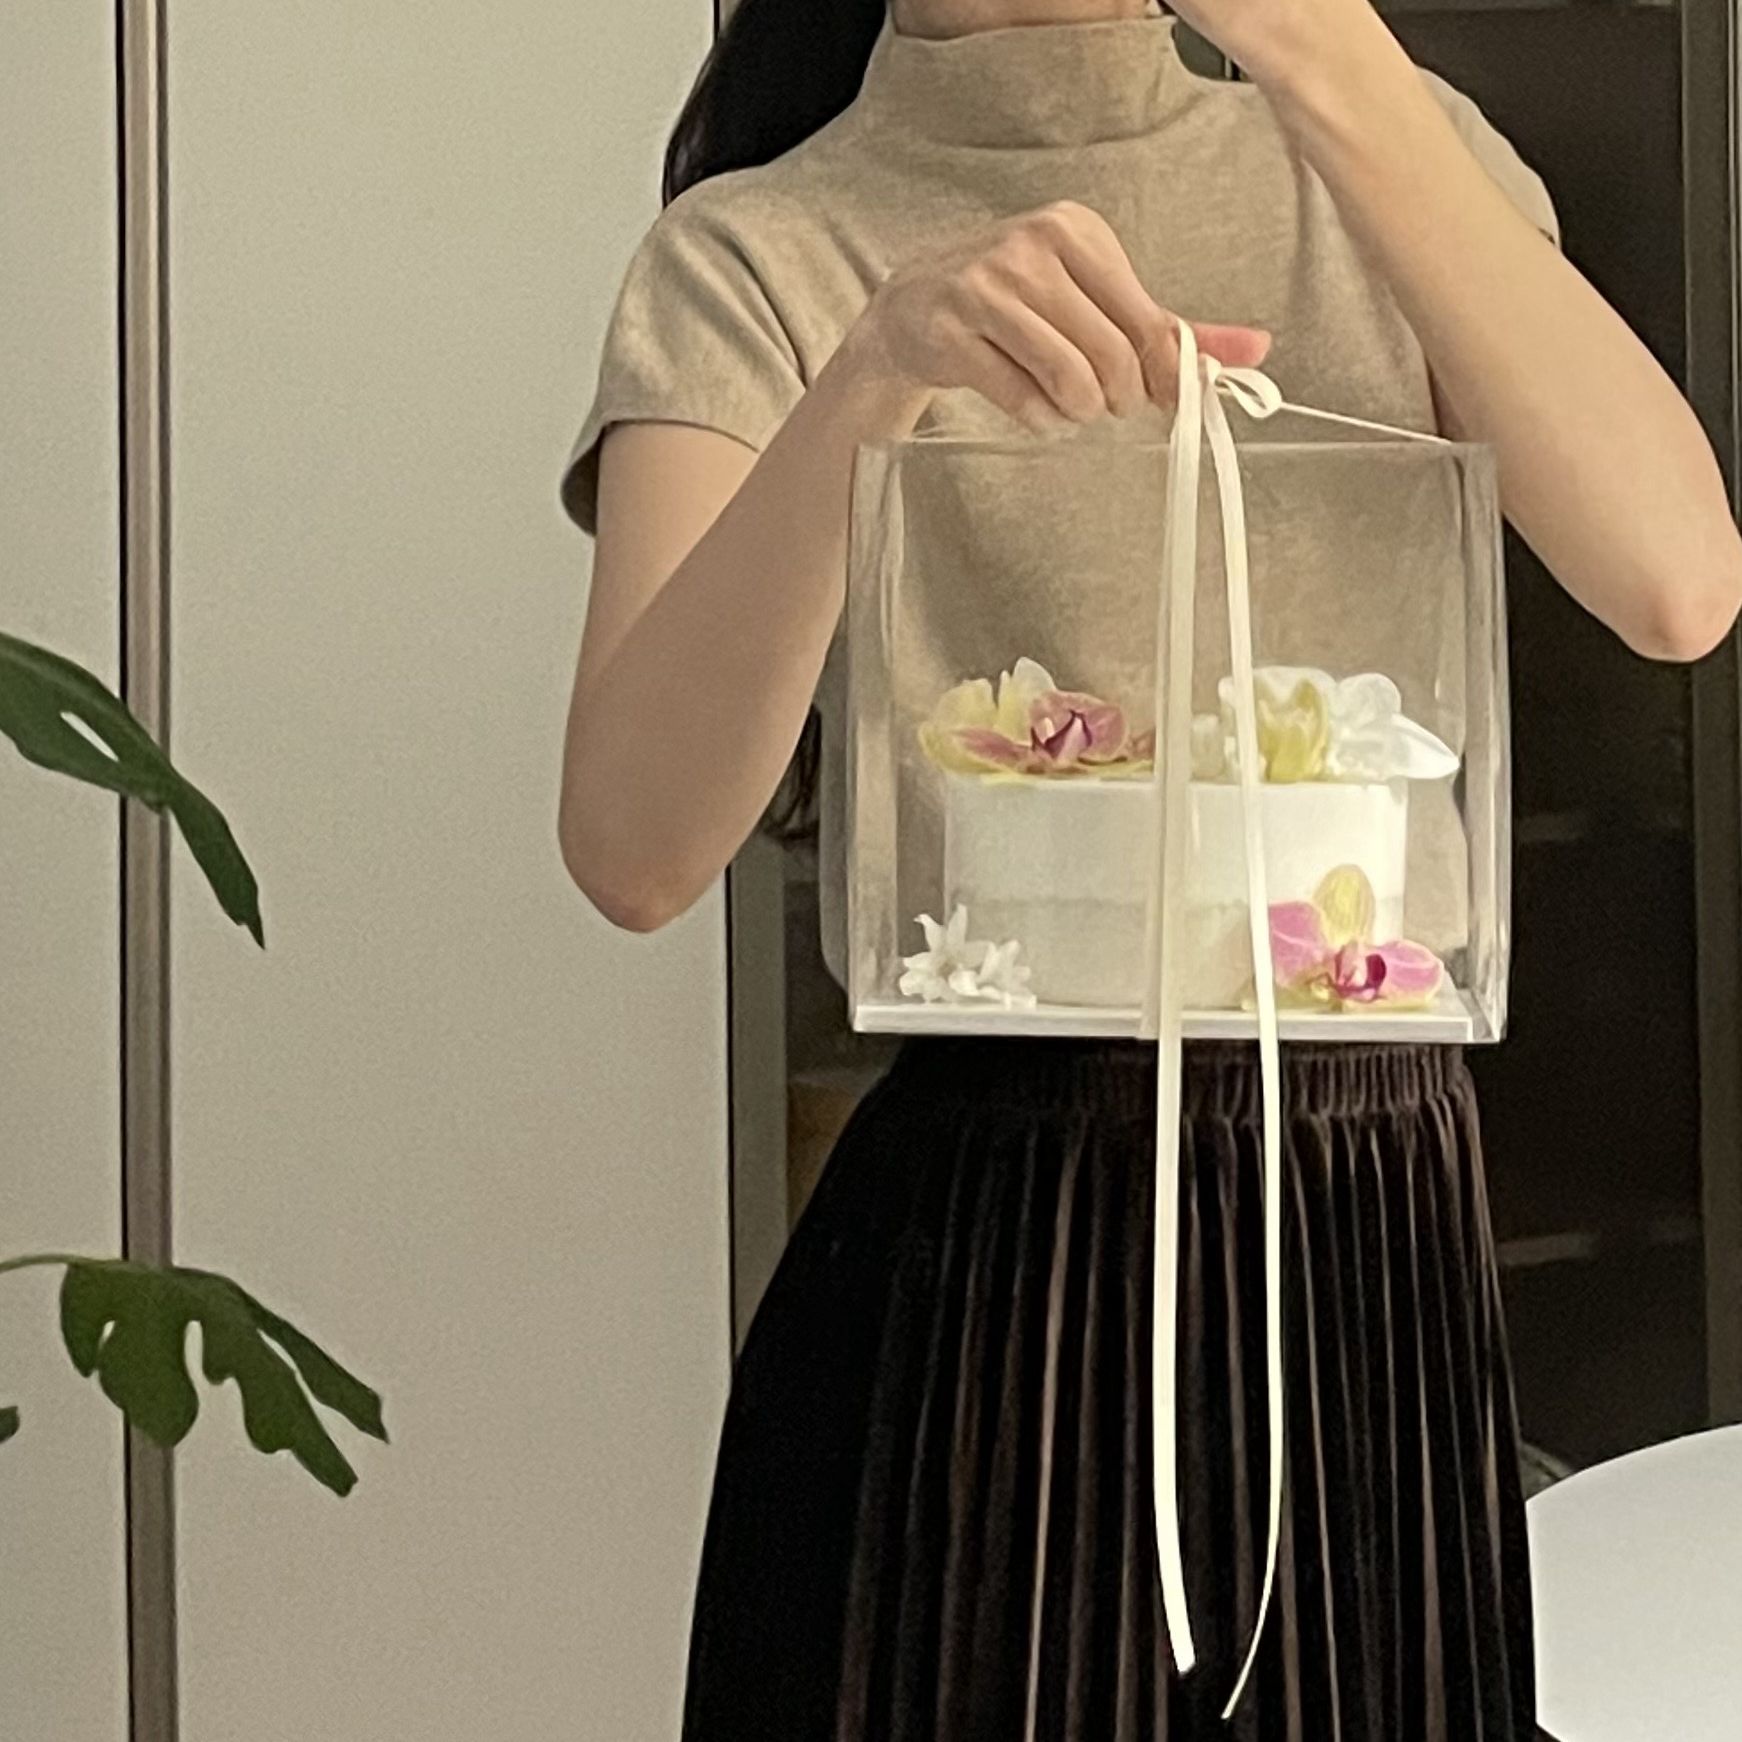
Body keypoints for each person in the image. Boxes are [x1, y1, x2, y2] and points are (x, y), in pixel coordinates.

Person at [556, 2, 1742, 1737]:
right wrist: (875, 377)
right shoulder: (757, 253)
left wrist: (1329, 56)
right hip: (987, 1264)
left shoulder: (1379, 151)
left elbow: (1674, 580)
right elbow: (633, 843)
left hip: (1365, 1237)